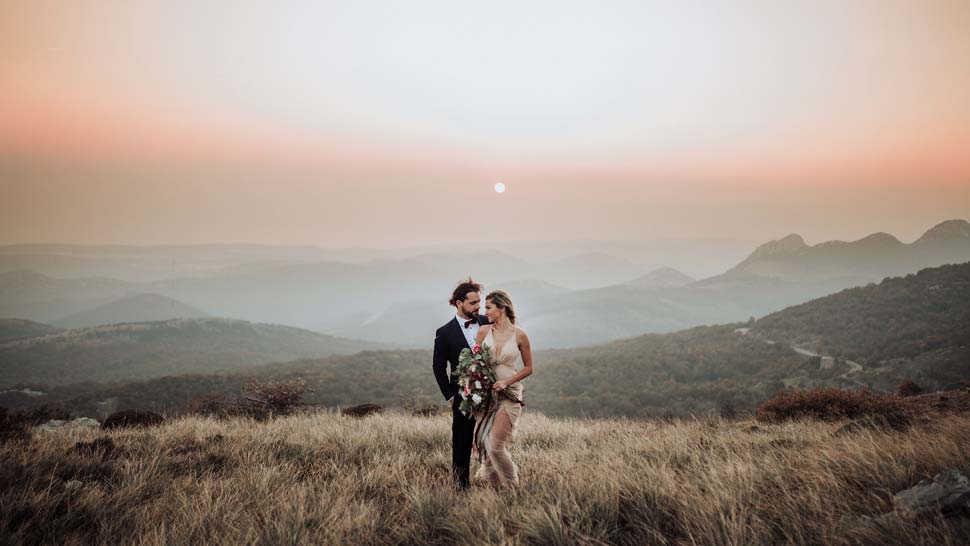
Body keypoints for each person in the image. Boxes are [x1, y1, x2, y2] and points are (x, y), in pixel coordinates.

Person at [432, 277, 490, 490]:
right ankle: (461, 486)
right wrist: (450, 395)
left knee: (492, 438)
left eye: (479, 302)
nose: (478, 307)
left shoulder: (487, 322)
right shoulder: (444, 332)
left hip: (491, 392)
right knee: (462, 442)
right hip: (461, 395)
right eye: (473, 303)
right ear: (459, 303)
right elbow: (438, 367)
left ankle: (494, 480)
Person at [471, 289, 533, 489]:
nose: (485, 311)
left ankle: (512, 488)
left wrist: (507, 382)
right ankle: (492, 487)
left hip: (509, 395)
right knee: (484, 443)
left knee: (495, 446)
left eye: (488, 307)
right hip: (485, 395)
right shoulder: (483, 332)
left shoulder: (520, 335)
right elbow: (475, 361)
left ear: (502, 308)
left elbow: (529, 368)